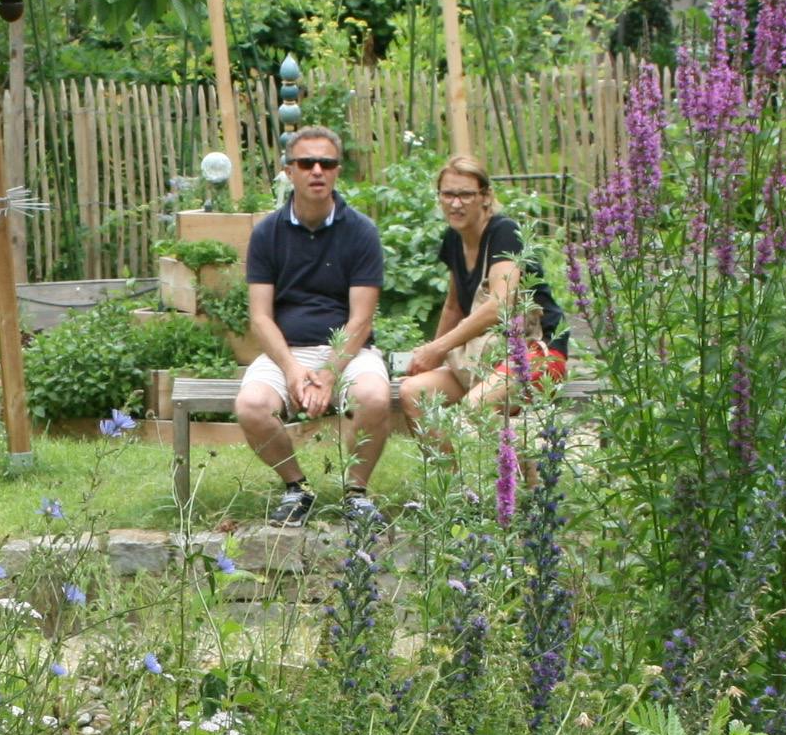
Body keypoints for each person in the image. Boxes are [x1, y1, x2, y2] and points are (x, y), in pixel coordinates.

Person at [234, 126, 395, 525]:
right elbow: (259, 316)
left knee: (375, 396)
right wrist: (291, 369)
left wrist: (327, 374)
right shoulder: (267, 233)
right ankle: (296, 489)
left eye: (327, 163)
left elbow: (361, 320)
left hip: (347, 350)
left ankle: (357, 493)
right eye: (307, 163)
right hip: (286, 350)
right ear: (289, 171)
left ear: (338, 171)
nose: (317, 171)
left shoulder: (361, 232)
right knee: (251, 405)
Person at [381, 160, 571, 478]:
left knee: (474, 409)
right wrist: (430, 355)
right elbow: (454, 306)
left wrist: (439, 347)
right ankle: (456, 490)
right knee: (413, 392)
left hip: (536, 354)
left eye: (466, 194)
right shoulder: (454, 239)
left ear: (485, 196)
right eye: (448, 194)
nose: (456, 203)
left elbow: (499, 305)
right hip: (483, 357)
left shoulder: (504, 233)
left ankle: (527, 476)